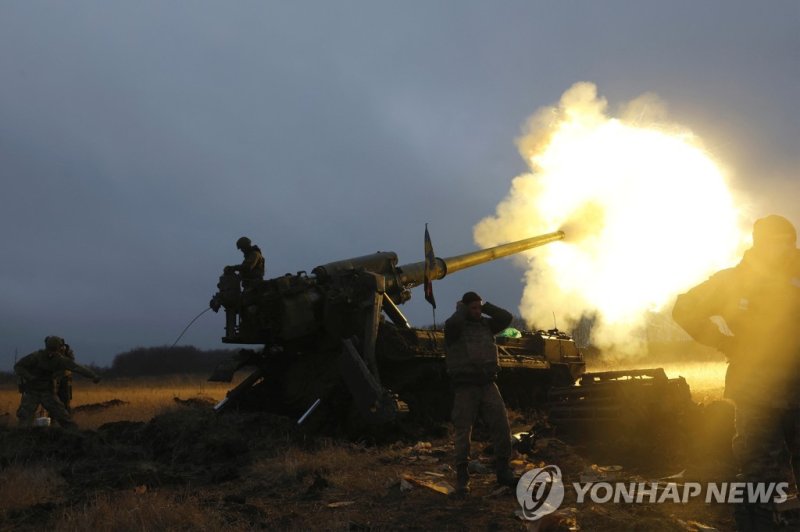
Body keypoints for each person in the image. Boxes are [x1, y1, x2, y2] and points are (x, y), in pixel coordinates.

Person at [672, 215, 800, 504]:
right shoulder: (734, 281)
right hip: (756, 394)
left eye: (788, 242)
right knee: (760, 477)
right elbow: (685, 308)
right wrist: (723, 342)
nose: (784, 249)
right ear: (760, 244)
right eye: (776, 242)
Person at [444, 291, 515, 495]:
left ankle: (503, 471)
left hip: (487, 383)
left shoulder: (486, 325)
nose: (477, 312)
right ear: (465, 308)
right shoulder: (455, 328)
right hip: (465, 386)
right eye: (473, 308)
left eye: (479, 308)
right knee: (463, 432)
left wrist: (485, 306)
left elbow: (506, 318)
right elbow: (454, 324)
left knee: (501, 426)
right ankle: (462, 478)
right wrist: (462, 310)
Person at [14, 336, 101, 429]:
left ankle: (74, 435)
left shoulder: (58, 359)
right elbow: (19, 367)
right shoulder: (37, 357)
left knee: (63, 416)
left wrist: (93, 376)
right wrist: (30, 377)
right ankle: (22, 437)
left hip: (47, 392)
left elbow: (77, 367)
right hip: (33, 391)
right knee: (25, 417)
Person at [55, 341, 76, 413]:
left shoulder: (67, 352)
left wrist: (65, 352)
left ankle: (67, 418)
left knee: (66, 401)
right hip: (55, 379)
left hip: (65, 379)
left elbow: (71, 362)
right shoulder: (52, 352)